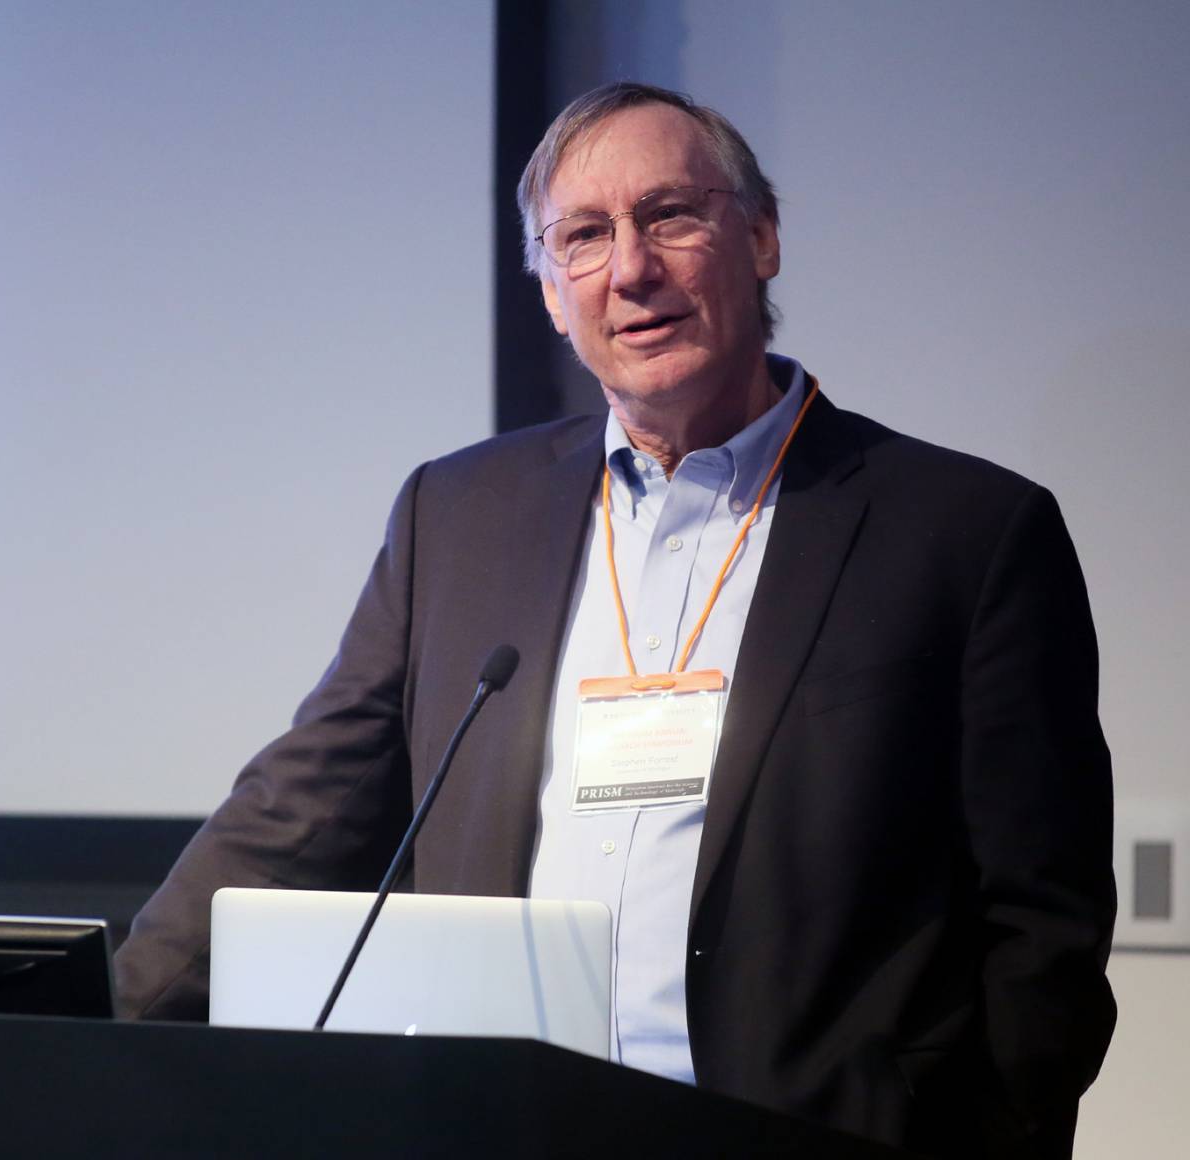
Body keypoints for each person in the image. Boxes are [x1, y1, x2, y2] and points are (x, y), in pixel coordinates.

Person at [115, 82, 1115, 1157]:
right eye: (582, 236)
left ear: (763, 237)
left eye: (670, 216)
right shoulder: (459, 517)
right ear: (550, 290)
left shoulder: (962, 531)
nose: (630, 268)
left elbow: (1042, 927)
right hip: (506, 1130)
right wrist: (92, 1024)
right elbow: (297, 814)